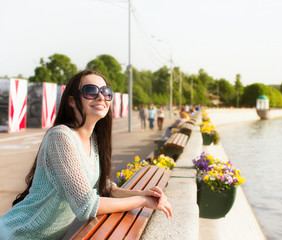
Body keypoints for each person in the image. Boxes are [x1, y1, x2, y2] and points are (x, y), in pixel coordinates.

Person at [0, 70, 172, 239]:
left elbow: (106, 189)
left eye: (106, 92)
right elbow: (87, 206)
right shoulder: (60, 136)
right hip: (17, 234)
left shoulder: (93, 140)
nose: (101, 97)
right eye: (91, 91)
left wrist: (144, 194)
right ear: (72, 101)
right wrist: (142, 202)